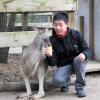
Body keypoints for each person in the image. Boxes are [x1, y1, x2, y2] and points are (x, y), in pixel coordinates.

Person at [43, 11, 92, 97]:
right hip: (63, 66)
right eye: (55, 25)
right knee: (57, 81)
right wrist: (49, 56)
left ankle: (80, 87)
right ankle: (65, 81)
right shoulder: (51, 41)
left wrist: (84, 54)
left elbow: (88, 50)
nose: (58, 28)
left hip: (77, 62)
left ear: (67, 24)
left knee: (79, 60)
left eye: (60, 25)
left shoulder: (76, 34)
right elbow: (53, 63)